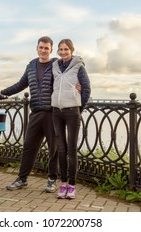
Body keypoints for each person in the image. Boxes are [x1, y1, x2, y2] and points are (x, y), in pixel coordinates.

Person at [1, 36, 59, 193]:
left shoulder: (57, 65)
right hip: (36, 113)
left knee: (53, 149)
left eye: (46, 48)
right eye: (41, 47)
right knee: (28, 147)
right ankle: (22, 179)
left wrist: (79, 86)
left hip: (52, 114)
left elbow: (69, 79)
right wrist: (3, 94)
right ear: (37, 48)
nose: (43, 50)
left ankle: (52, 180)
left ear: (51, 50)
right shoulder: (31, 66)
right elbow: (20, 84)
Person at [51, 38, 91, 199]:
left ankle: (72, 186)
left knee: (72, 150)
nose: (63, 52)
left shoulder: (79, 67)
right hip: (56, 111)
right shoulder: (55, 66)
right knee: (61, 149)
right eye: (60, 49)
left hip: (72, 111)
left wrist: (78, 107)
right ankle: (63, 184)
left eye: (66, 49)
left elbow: (86, 89)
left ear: (71, 50)